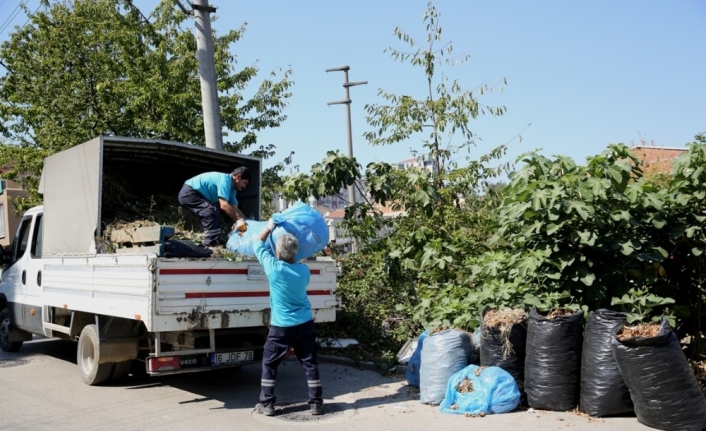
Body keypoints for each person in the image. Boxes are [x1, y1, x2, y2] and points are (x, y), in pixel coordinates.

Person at [253, 219, 324, 417]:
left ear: (278, 253)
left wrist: (268, 226)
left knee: (269, 363)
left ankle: (267, 404)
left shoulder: (274, 269)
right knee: (310, 364)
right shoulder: (304, 271)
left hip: (282, 327)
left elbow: (257, 244)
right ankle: (316, 403)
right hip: (305, 324)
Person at [178, 167, 250, 247]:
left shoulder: (232, 190)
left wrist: (249, 223)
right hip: (189, 193)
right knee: (211, 211)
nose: (244, 187)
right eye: (245, 183)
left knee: (214, 211)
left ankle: (215, 240)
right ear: (238, 177)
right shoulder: (225, 180)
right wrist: (240, 221)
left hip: (199, 195)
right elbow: (223, 205)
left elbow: (235, 210)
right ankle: (209, 244)